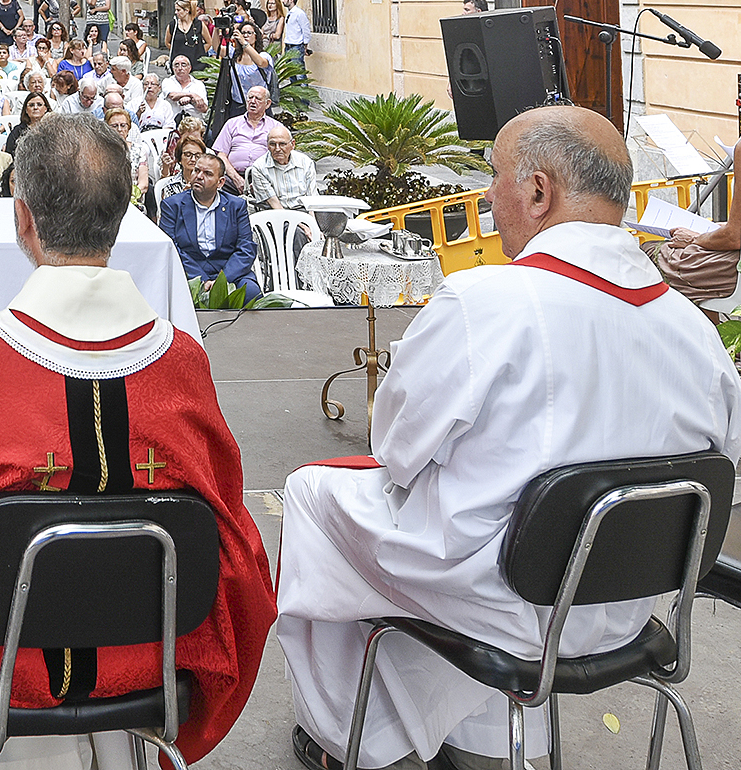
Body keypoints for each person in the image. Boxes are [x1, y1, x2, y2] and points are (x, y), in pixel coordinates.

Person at [278, 106, 741, 770]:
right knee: (483, 530)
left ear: (537, 191)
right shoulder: (693, 329)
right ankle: (483, 743)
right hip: (626, 607)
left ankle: (353, 741)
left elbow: (396, 450)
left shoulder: (482, 302)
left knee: (312, 495)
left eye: (494, 176)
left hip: (502, 601)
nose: (490, 197)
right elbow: (722, 475)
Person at [0, 115, 276, 770]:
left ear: (23, 219)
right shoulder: (181, 361)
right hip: (150, 651)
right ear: (121, 218)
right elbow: (232, 536)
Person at [159, 154, 259, 300]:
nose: (199, 176)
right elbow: (170, 248)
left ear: (220, 182)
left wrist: (221, 281)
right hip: (188, 272)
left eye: (208, 174)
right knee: (176, 293)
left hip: (229, 271)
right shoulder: (172, 205)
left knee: (250, 291)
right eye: (196, 170)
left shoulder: (236, 206)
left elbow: (246, 248)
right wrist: (201, 279)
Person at [212, 85, 288, 191]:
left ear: (267, 104)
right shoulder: (232, 123)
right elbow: (221, 154)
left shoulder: (276, 127)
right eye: (250, 97)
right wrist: (236, 179)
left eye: (258, 99)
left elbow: (283, 154)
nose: (252, 101)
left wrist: (260, 180)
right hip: (232, 177)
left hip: (265, 177)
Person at [246, 127, 317, 212]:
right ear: (267, 146)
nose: (277, 149)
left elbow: (312, 200)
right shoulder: (259, 167)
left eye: (282, 144)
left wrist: (312, 220)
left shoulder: (306, 162)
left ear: (292, 144)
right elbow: (274, 204)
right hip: (275, 213)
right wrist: (295, 221)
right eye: (272, 144)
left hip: (304, 211)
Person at [281, 0, 312, 73]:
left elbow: (306, 30)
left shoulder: (299, 13)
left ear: (291, 0)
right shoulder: (289, 13)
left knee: (299, 72)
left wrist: (305, 45)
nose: (283, 1)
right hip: (288, 45)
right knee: (290, 72)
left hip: (296, 46)